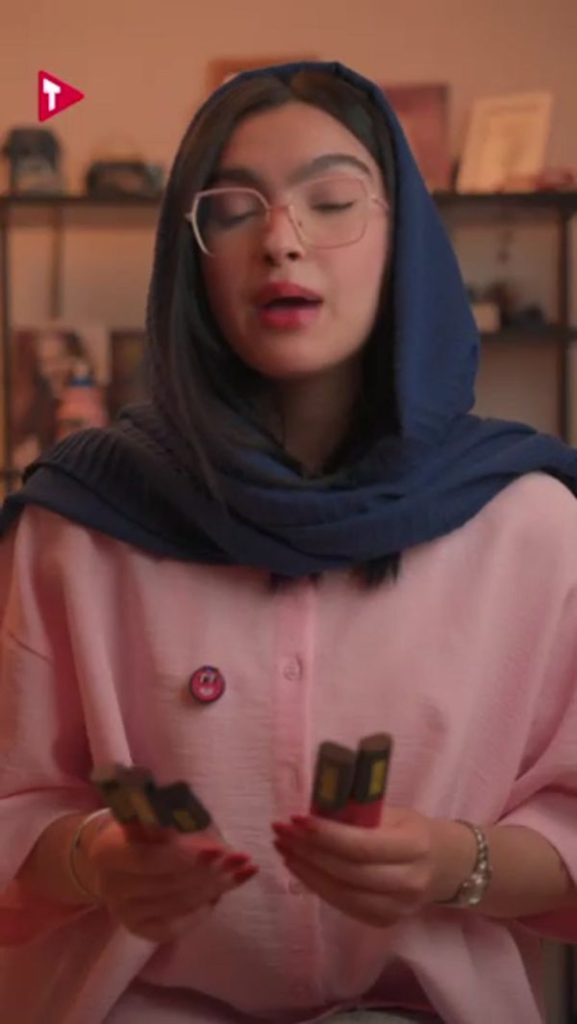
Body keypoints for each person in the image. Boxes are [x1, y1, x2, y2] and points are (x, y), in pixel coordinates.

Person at [0, 60, 576, 1024]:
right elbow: (15, 805)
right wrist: (94, 859)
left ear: (404, 239)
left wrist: (454, 862)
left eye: (333, 200)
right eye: (232, 210)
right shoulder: (77, 521)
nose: (281, 239)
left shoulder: (533, 528)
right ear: (189, 256)